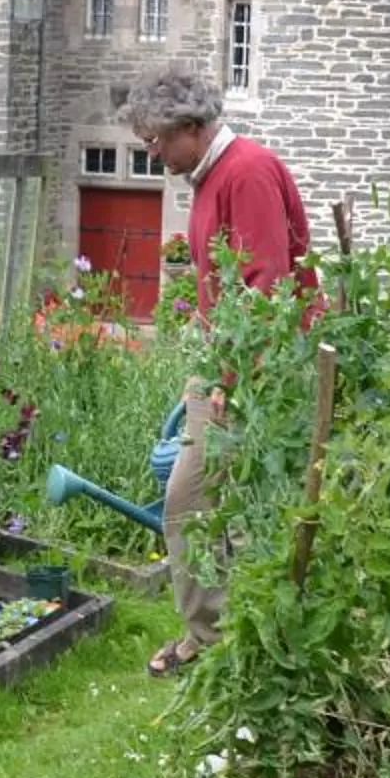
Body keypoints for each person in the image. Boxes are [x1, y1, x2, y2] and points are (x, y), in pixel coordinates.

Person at [120, 64, 313, 677]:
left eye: (156, 141)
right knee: (216, 504)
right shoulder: (210, 179)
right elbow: (221, 288)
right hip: (228, 363)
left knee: (194, 500)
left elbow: (265, 286)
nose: (153, 155)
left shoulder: (246, 172)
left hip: (259, 366)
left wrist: (231, 380)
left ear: (193, 127)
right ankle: (231, 636)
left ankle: (218, 640)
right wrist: (203, 373)